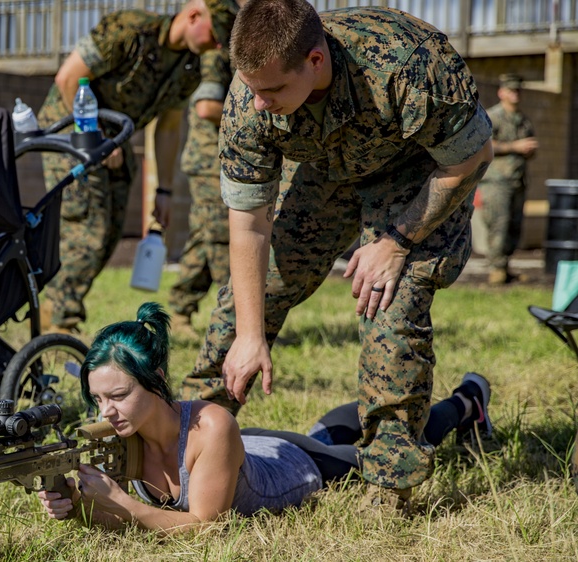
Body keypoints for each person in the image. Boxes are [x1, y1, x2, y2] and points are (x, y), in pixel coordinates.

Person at [178, 0, 494, 510]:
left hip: (420, 173)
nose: (258, 103)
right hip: (325, 168)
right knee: (246, 299)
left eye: (273, 90)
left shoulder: (408, 65)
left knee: (391, 304)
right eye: (252, 89)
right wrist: (251, 334)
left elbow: (474, 156)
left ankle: (391, 482)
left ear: (316, 60)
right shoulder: (249, 97)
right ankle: (189, 441)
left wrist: (396, 241)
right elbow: (249, 225)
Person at [37, 303, 492, 531]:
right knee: (320, 431)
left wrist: (125, 505)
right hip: (247, 449)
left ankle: (467, 401)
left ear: (155, 378)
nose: (105, 411)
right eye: (98, 400)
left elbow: (205, 529)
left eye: (117, 395)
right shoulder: (120, 433)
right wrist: (78, 505)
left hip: (293, 468)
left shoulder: (211, 425)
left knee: (382, 451)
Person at [37, 0, 240, 335]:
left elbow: (169, 128)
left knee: (112, 228)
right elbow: (68, 78)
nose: (217, 46)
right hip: (71, 130)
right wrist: (94, 136)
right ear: (193, 15)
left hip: (113, 141)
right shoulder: (129, 29)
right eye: (217, 35)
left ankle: (54, 308)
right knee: (90, 224)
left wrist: (164, 191)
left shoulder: (190, 67)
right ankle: (60, 321)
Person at [168, 47, 234, 339]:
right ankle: (234, 318)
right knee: (221, 237)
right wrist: (253, 109)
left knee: (203, 237)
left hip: (215, 160)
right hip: (211, 162)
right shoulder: (215, 57)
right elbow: (207, 106)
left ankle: (179, 312)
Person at [478, 73, 538, 285]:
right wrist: (515, 147)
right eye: (511, 90)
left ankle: (506, 266)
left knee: (514, 225)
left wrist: (528, 150)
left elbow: (528, 147)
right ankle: (496, 269)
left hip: (517, 179)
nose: (516, 94)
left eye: (518, 90)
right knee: (498, 224)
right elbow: (483, 145)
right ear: (501, 92)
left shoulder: (522, 119)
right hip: (496, 181)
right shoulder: (492, 116)